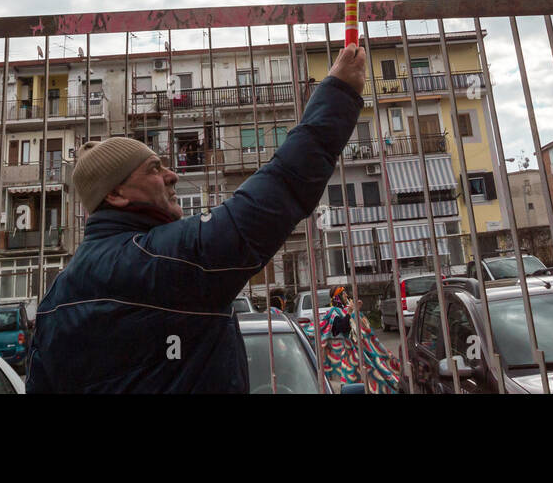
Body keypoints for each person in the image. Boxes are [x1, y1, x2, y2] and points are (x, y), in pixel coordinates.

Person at [25, 44, 367, 393]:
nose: (172, 175)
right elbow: (277, 191)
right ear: (115, 195)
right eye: (154, 169)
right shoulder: (159, 259)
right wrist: (338, 93)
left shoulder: (55, 302)